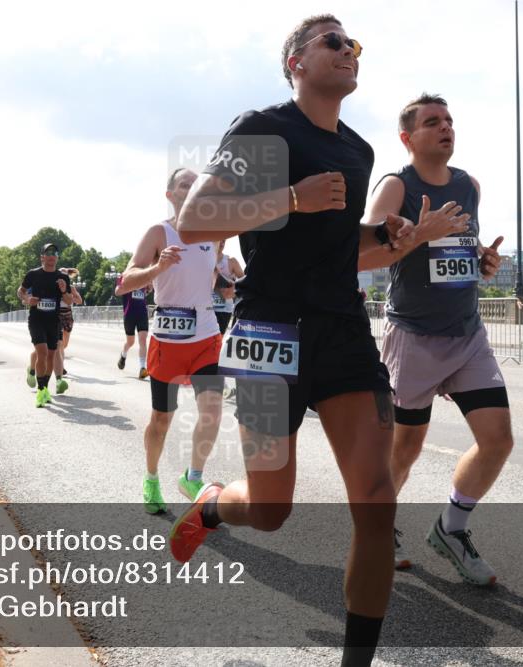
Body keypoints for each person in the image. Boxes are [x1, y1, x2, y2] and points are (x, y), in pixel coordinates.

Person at [170, 16, 434, 664]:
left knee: (375, 502)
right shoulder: (266, 131)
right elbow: (196, 219)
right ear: (296, 61)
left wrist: (395, 239)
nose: (349, 52)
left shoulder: (358, 151)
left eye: (355, 46)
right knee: (269, 507)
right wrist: (292, 196)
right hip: (267, 334)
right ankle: (211, 504)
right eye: (334, 43)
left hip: (344, 333)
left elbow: (352, 253)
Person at [361, 93, 508, 585]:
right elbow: (360, 253)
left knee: (497, 440)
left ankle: (451, 528)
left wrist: (483, 261)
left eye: (449, 120)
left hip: (467, 334)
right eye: (432, 122)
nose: (445, 127)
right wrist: (417, 235)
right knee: (404, 450)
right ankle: (377, 529)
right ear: (407, 137)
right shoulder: (394, 186)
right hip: (414, 336)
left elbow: (462, 250)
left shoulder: (470, 185)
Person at [120, 167, 225, 514]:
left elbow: (212, 273)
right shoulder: (159, 232)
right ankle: (151, 478)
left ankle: (192, 476)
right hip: (167, 341)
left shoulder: (215, 232)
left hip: (206, 336)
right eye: (184, 184)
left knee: (212, 412)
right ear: (171, 195)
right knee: (162, 419)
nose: (192, 188)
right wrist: (156, 269)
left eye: (197, 184)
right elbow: (125, 282)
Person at [17, 243, 73, 407]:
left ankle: (44, 388)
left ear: (57, 257)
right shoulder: (33, 274)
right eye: (48, 253)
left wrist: (64, 291)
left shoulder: (63, 278)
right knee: (41, 353)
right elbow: (20, 290)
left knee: (51, 355)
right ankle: (41, 391)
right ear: (42, 257)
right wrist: (27, 299)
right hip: (37, 319)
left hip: (53, 321)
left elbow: (69, 301)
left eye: (54, 253)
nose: (51, 256)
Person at [115, 277, 152, 378]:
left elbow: (148, 290)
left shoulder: (145, 275)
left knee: (143, 340)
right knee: (130, 342)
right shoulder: (123, 276)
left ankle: (142, 368)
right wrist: (132, 286)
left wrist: (149, 286)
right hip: (129, 314)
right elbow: (117, 292)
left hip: (142, 313)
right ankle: (123, 355)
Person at [212, 239, 245, 334]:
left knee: (218, 339)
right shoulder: (202, 260)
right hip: (205, 308)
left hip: (223, 309)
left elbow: (244, 284)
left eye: (224, 241)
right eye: (219, 240)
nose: (222, 243)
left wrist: (233, 288)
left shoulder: (231, 262)